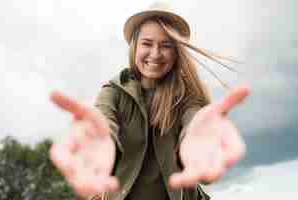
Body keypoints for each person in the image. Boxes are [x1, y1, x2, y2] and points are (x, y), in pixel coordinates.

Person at [49, 3, 250, 200]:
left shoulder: (188, 96)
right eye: (147, 43)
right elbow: (104, 122)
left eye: (166, 46)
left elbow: (193, 121)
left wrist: (200, 142)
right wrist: (95, 137)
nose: (155, 54)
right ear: (135, 45)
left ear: (176, 51)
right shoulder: (113, 92)